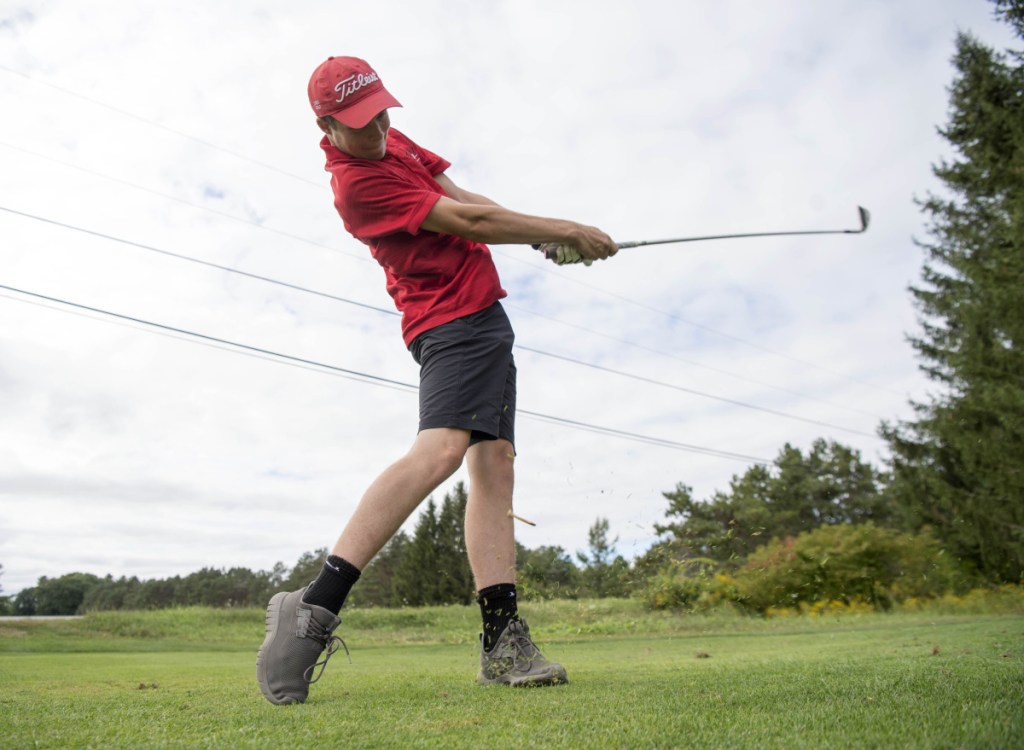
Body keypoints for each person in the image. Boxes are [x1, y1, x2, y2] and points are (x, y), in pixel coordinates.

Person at [256, 55, 618, 705]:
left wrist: (539, 240)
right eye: (360, 124)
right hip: (448, 323)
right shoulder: (355, 185)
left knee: (494, 467)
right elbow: (469, 225)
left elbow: (468, 200)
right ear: (326, 125)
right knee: (442, 452)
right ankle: (314, 604)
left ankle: (502, 642)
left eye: (382, 113)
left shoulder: (396, 141)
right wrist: (563, 228)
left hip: (484, 320)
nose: (377, 131)